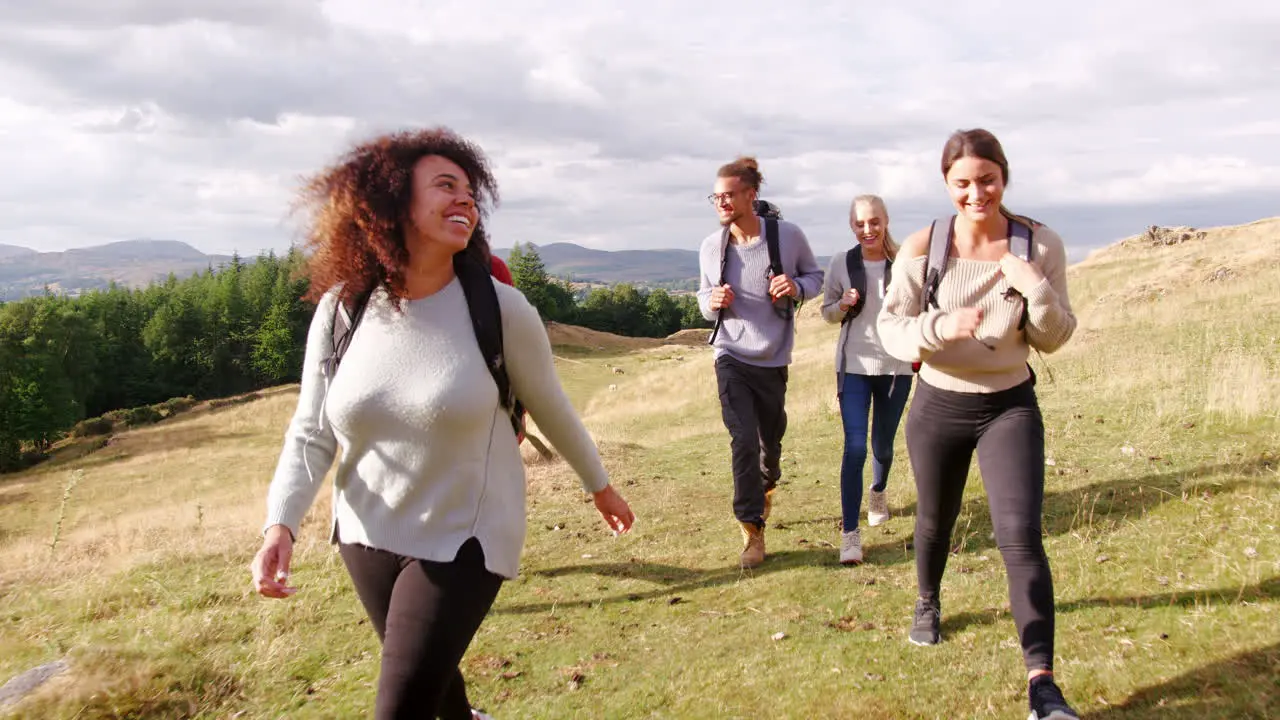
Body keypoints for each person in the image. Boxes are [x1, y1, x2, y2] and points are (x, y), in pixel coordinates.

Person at [249, 127, 636, 720]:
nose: (466, 201)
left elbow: (551, 404)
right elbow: (311, 429)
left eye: (470, 191)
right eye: (445, 186)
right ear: (391, 203)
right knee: (434, 690)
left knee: (401, 706)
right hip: (365, 532)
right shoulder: (341, 311)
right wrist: (281, 523)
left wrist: (599, 484)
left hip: (467, 533)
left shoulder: (500, 308)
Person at [876, 128, 1080, 720]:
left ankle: (1042, 684)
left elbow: (1056, 336)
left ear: (1004, 177)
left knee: (1020, 538)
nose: (976, 193)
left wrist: (1033, 286)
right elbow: (892, 329)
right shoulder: (923, 246)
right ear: (947, 184)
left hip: (1009, 405)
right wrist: (940, 328)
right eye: (962, 182)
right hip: (937, 404)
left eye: (986, 180)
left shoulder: (1039, 245)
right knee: (935, 522)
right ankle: (927, 600)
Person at [696, 156, 824, 569]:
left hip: (772, 358)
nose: (722, 203)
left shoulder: (787, 236)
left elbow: (814, 278)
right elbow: (703, 299)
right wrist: (711, 302)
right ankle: (752, 531)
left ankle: (766, 487)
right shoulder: (711, 246)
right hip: (730, 353)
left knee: (770, 448)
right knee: (743, 442)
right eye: (716, 196)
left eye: (728, 195)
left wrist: (795, 285)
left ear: (751, 195)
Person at [819, 194, 913, 565]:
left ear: (885, 221)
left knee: (882, 446)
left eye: (874, 222)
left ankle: (878, 490)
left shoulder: (905, 263)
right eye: (860, 223)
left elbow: (921, 307)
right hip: (853, 366)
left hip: (896, 368)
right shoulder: (842, 263)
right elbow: (827, 312)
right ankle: (850, 535)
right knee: (854, 447)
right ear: (852, 226)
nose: (867, 229)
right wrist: (842, 305)